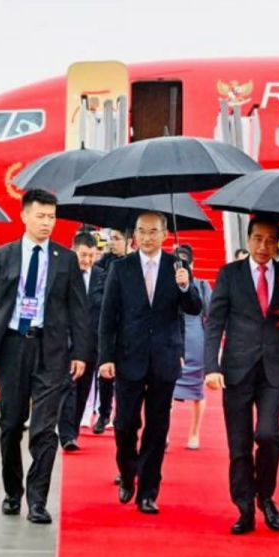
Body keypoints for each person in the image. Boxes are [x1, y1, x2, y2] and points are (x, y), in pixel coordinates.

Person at [0, 188, 89, 524]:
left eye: (52, 217)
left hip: (51, 349)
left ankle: (37, 499)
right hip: (12, 347)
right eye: (40, 216)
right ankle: (13, 492)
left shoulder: (65, 259)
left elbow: (78, 310)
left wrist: (80, 351)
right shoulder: (3, 256)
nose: (47, 223)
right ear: (24, 215)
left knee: (44, 428)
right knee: (10, 425)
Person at [98, 211, 202, 514]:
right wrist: (105, 357)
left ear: (165, 234)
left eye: (153, 231)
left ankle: (148, 490)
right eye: (142, 231)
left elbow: (194, 308)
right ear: (134, 235)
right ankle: (128, 472)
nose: (147, 237)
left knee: (158, 428)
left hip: (165, 357)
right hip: (128, 357)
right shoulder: (121, 268)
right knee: (125, 424)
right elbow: (108, 317)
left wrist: (186, 286)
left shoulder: (178, 267)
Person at [204, 219, 279, 534]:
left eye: (269, 240)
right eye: (257, 239)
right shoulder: (229, 275)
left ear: (278, 244)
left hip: (272, 367)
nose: (262, 247)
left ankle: (266, 495)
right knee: (240, 444)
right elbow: (214, 322)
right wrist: (211, 367)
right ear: (248, 239)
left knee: (269, 435)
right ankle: (244, 508)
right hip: (236, 368)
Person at [58, 232, 105, 450]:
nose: (87, 260)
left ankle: (72, 431)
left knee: (84, 388)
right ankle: (66, 435)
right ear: (73, 250)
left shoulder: (101, 276)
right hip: (66, 340)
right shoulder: (62, 273)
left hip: (92, 342)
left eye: (91, 255)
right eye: (83, 255)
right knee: (68, 386)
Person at [172, 244, 212, 451]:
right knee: (164, 388)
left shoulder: (202, 285)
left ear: (193, 264)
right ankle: (164, 433)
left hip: (195, 339)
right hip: (171, 339)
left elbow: (210, 313)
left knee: (197, 390)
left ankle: (195, 432)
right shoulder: (167, 285)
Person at [91, 228, 129, 434]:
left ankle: (121, 416)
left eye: (116, 239)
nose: (112, 243)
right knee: (105, 374)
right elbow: (96, 296)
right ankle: (104, 413)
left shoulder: (137, 263)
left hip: (131, 330)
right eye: (110, 239)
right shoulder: (104, 263)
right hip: (109, 328)